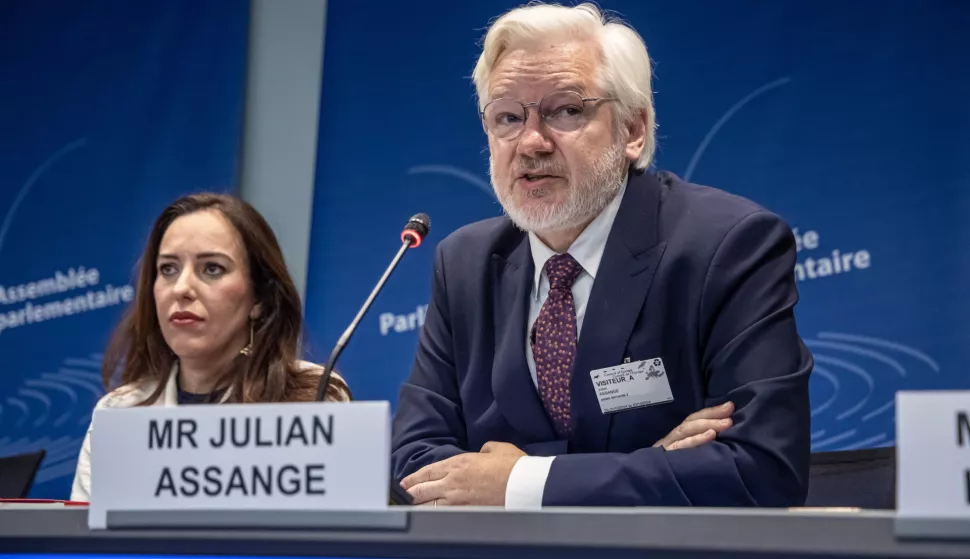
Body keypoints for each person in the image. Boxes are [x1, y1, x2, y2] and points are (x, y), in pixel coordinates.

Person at [391, 3, 812, 508]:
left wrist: (519, 482)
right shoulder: (465, 263)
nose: (531, 142)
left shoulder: (728, 246)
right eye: (508, 117)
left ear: (633, 130)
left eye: (567, 110)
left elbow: (761, 469)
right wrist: (651, 466)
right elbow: (414, 465)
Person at [71, 193, 350, 501]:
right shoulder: (118, 413)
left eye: (212, 269)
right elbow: (83, 533)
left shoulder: (314, 397)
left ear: (259, 298)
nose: (181, 288)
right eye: (168, 269)